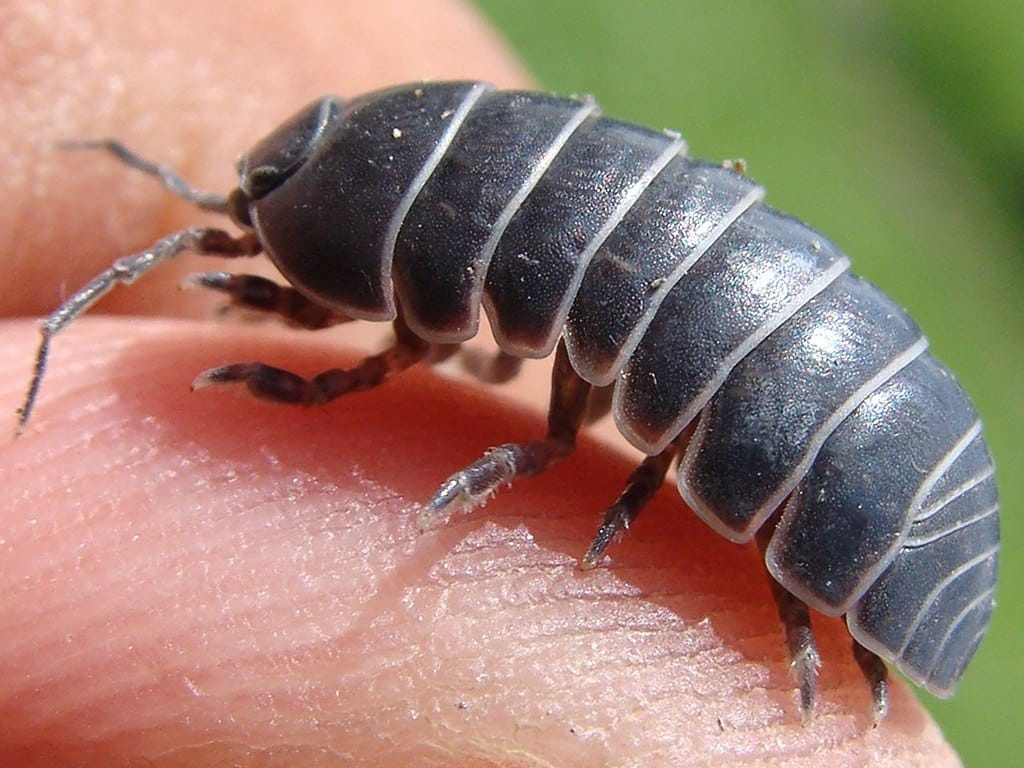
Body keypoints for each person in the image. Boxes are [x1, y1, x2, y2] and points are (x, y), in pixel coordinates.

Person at [0, 1, 963, 764]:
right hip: (868, 399)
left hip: (877, 465)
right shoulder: (496, 185)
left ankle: (810, 594)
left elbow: (401, 341)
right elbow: (416, 328)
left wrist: (321, 348)